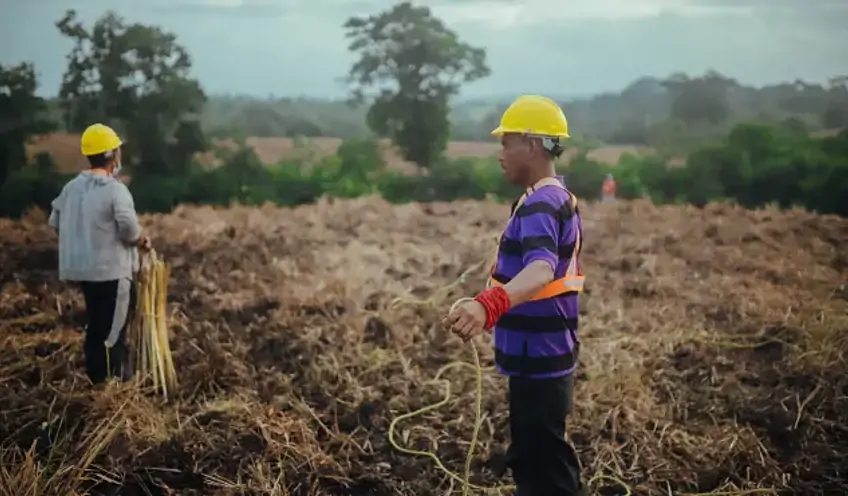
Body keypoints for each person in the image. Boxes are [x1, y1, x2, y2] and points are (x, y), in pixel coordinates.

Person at [444, 95, 586, 496]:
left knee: (544, 469)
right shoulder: (550, 195)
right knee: (535, 455)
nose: (500, 153)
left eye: (506, 143)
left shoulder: (542, 203)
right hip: (539, 354)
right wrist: (480, 299)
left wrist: (486, 306)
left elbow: (540, 271)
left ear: (532, 144)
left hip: (540, 354)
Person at [48, 123, 151, 385]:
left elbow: (55, 221)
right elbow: (128, 229)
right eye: (118, 150)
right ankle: (115, 386)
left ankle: (97, 381)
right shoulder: (115, 190)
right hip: (112, 273)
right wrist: (141, 239)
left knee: (98, 325)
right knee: (113, 331)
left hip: (85, 272)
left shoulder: (71, 188)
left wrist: (83, 242)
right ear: (112, 155)